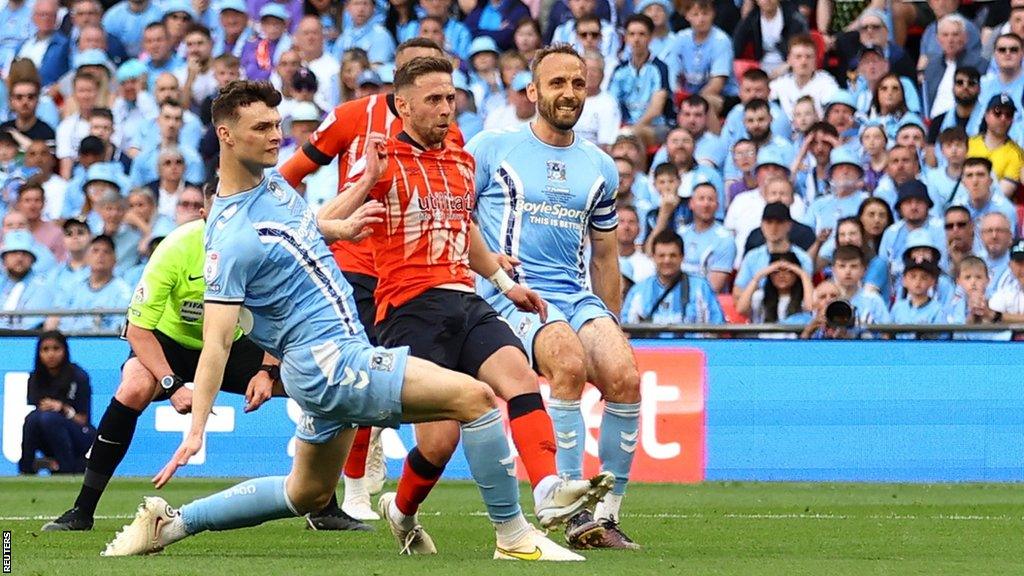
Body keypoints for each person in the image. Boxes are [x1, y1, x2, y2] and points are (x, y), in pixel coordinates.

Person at [102, 80, 602, 561]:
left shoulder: (270, 184)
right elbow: (215, 345)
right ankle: (515, 536)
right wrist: (195, 432)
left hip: (327, 361)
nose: (277, 136)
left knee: (306, 492)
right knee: (474, 399)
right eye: (261, 128)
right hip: (330, 362)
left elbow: (305, 225)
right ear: (226, 136)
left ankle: (172, 524)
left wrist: (356, 195)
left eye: (277, 125)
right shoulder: (229, 240)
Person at [335, 57, 609, 558]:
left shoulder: (461, 159)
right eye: (434, 100)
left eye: (451, 97)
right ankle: (403, 511)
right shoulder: (381, 161)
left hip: (465, 299)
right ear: (403, 105)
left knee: (520, 380)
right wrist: (362, 182)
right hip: (408, 308)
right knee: (438, 444)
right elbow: (322, 223)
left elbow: (468, 232)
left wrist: (505, 283)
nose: (447, 109)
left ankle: (547, 490)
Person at [42, 184, 307, 531]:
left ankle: (322, 506)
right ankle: (82, 510)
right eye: (219, 215)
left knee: (308, 384)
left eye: (236, 215)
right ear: (204, 215)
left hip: (233, 342)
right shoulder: (175, 248)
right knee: (134, 385)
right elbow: (138, 330)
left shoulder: (261, 252)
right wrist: (172, 383)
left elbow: (278, 315)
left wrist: (267, 370)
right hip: (169, 342)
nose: (227, 225)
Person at [468, 45, 642, 550]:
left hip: (575, 294)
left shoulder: (601, 167)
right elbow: (460, 217)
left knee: (625, 376)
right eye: (557, 83)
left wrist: (610, 322)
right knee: (566, 362)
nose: (568, 93)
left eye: (577, 84)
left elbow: (606, 255)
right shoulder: (492, 149)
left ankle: (605, 516)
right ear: (532, 92)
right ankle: (570, 512)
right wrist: (484, 275)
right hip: (510, 296)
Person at [279, 38, 451, 524]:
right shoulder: (353, 115)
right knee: (357, 377)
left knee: (399, 384)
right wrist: (302, 226)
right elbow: (291, 173)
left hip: (413, 273)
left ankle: (363, 458)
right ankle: (351, 490)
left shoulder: (446, 131)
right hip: (355, 264)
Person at [19, 331, 94, 474]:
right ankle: (26, 470)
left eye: (56, 348)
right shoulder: (35, 378)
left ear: (64, 350)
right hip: (48, 433)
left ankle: (67, 469)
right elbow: (37, 413)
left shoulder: (78, 376)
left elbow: (83, 420)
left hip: (80, 434)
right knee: (32, 419)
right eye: (45, 350)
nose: (51, 354)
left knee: (49, 418)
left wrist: (63, 409)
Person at [622, 230, 724, 325]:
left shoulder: (700, 287)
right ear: (653, 257)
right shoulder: (638, 291)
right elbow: (626, 328)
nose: (667, 260)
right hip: (650, 345)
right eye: (661, 255)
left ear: (682, 257)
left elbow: (717, 325)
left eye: (673, 255)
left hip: (690, 344)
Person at [45, 235, 131, 333]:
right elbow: (56, 315)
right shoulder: (74, 286)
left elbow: (120, 327)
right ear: (86, 257)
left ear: (115, 260)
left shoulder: (123, 291)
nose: (100, 255)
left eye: (106, 252)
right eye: (95, 251)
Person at [733, 202, 813, 297]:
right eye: (769, 222)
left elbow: (807, 294)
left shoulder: (802, 258)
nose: (773, 228)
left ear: (789, 225)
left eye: (779, 223)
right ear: (762, 225)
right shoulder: (752, 257)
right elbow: (737, 292)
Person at [967, 94, 1024, 198]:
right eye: (997, 112)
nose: (1003, 118)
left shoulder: (1017, 154)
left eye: (1009, 114)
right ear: (986, 115)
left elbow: (1002, 193)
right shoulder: (969, 143)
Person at [735, 250, 813, 326]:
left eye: (788, 271)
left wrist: (803, 274)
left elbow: (811, 308)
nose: (782, 275)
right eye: (776, 272)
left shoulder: (805, 297)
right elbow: (741, 309)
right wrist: (757, 277)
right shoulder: (760, 296)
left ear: (796, 274)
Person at [832, 244, 890, 326]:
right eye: (842, 266)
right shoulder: (827, 298)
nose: (848, 271)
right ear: (833, 270)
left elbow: (887, 334)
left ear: (864, 270)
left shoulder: (874, 300)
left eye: (854, 266)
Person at [890, 256, 946, 339]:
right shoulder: (898, 307)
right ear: (904, 280)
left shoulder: (937, 310)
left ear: (932, 281)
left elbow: (942, 339)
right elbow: (888, 335)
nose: (918, 281)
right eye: (913, 276)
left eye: (924, 277)